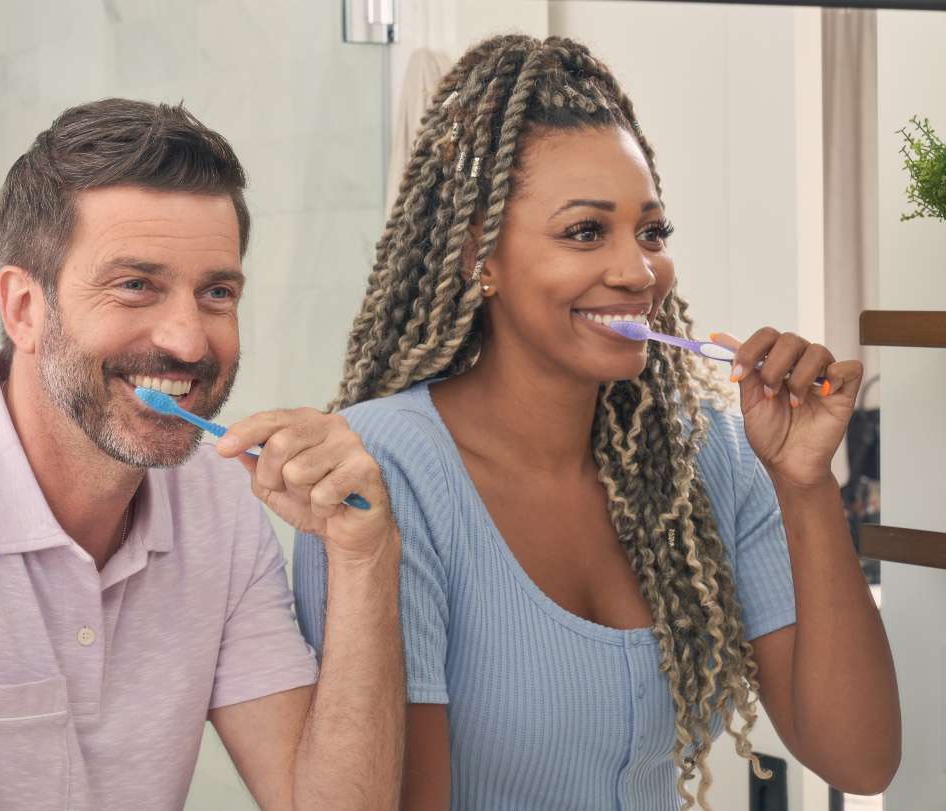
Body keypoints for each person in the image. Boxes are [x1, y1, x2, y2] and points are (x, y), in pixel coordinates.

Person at [291, 35, 901, 810]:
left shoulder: (707, 457)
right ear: (482, 255)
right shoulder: (378, 474)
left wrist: (807, 484)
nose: (638, 270)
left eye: (651, 231)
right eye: (586, 231)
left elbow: (861, 757)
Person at [0, 99, 404, 811]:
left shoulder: (217, 502)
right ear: (24, 308)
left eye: (216, 291)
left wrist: (364, 557)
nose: (187, 341)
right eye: (135, 285)